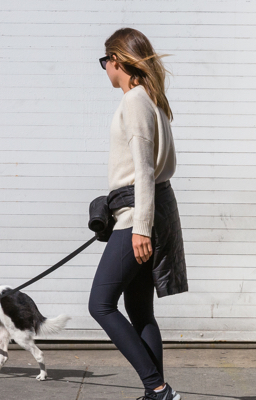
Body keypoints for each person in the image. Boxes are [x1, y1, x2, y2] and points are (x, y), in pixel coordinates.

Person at [88, 27, 187, 400]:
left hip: (137, 215)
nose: (105, 70)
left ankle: (157, 388)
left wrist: (140, 228)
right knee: (140, 310)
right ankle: (156, 395)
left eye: (105, 62)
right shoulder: (153, 99)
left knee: (100, 303)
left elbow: (144, 171)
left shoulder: (135, 101)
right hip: (143, 209)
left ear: (117, 61)